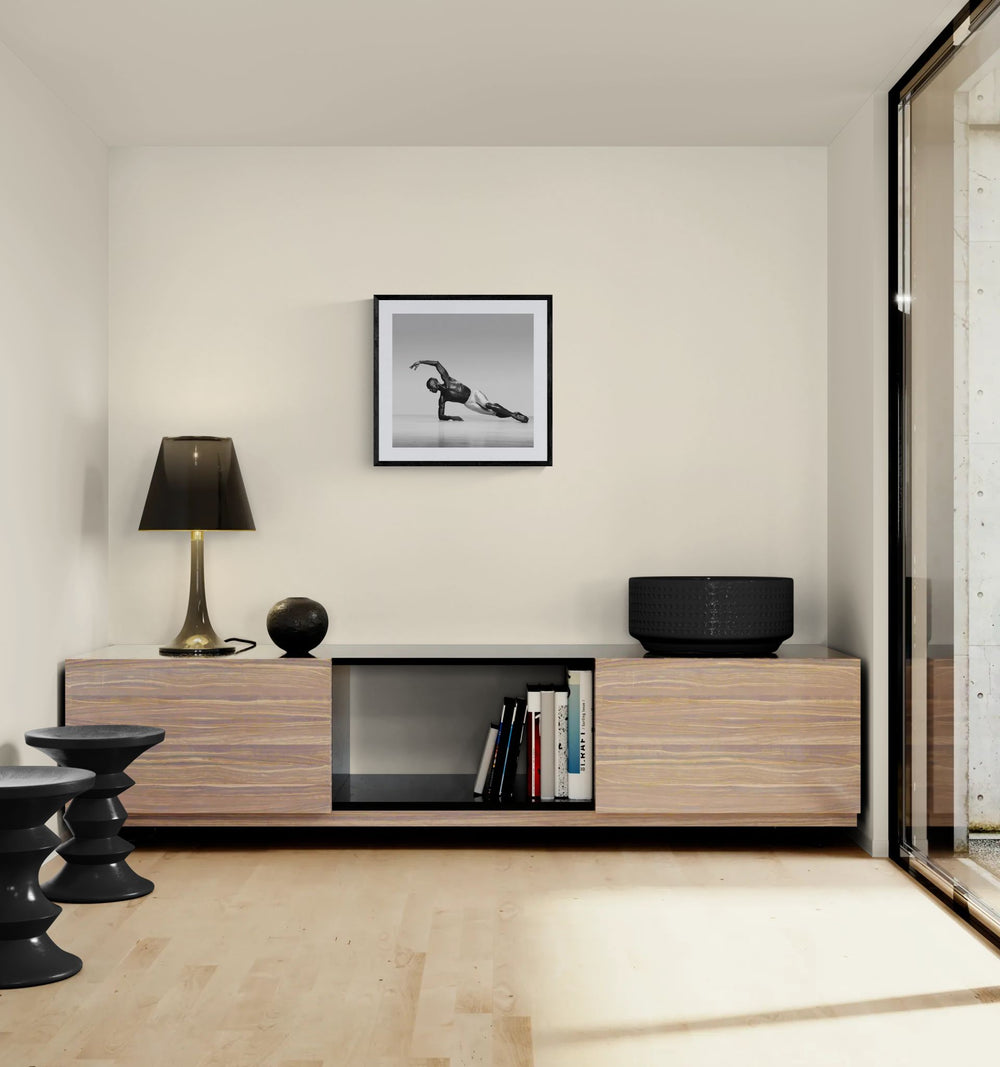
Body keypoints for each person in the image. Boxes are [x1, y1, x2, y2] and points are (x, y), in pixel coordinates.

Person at [409, 360, 529, 423]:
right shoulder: (442, 398)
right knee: (493, 413)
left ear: (434, 384)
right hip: (468, 404)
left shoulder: (447, 379)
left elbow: (436, 363)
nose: (431, 390)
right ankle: (513, 412)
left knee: (488, 405)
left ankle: (514, 416)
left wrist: (420, 361)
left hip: (474, 394)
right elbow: (441, 416)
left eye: (430, 388)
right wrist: (452, 417)